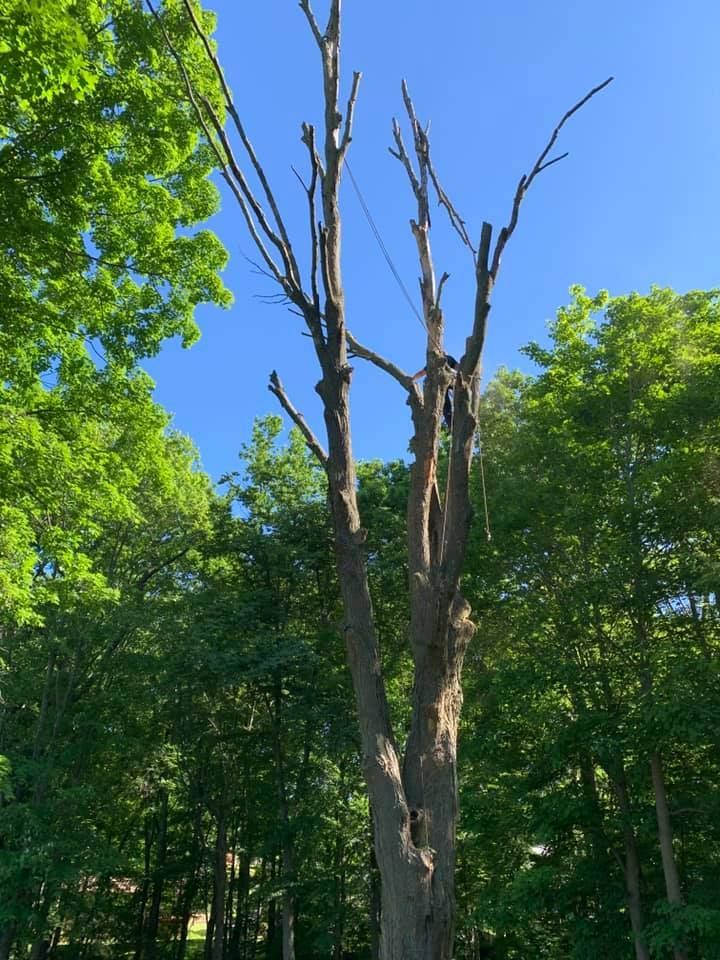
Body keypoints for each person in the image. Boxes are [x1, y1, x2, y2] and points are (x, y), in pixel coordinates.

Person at [412, 354, 458, 430]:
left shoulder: (434, 362)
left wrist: (413, 379)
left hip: (443, 382)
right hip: (444, 382)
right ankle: (452, 424)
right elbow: (458, 367)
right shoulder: (448, 358)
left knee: (446, 405)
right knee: (446, 404)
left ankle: (451, 424)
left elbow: (421, 373)